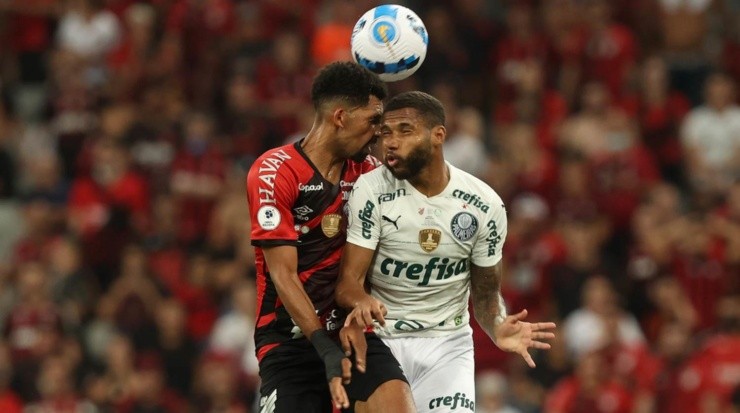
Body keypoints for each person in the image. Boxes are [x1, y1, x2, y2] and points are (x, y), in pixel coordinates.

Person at [337, 91, 557, 412]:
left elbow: (485, 294)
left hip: (448, 346)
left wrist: (497, 325)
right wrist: (362, 302)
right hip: (382, 340)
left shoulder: (484, 205)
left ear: (438, 135)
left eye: (405, 131)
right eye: (386, 133)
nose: (391, 143)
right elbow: (348, 284)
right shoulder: (371, 190)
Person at [246, 61, 415, 412]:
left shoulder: (370, 173)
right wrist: (324, 347)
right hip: (290, 342)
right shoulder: (275, 172)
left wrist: (361, 309)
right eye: (372, 121)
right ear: (340, 117)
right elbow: (283, 274)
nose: (378, 134)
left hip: (353, 333)